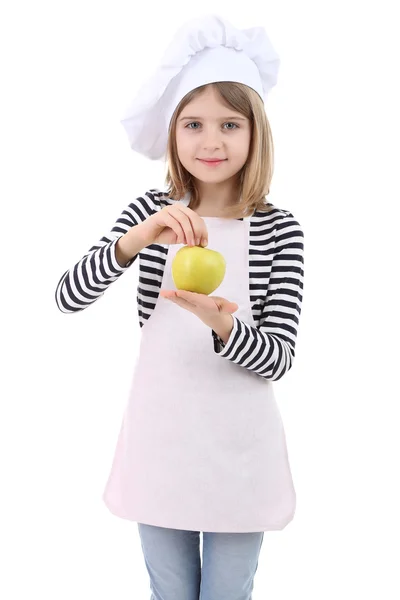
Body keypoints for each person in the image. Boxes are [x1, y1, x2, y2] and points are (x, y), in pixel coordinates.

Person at [55, 13, 305, 600]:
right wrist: (136, 240)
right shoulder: (149, 214)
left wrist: (223, 324)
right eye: (193, 124)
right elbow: (68, 296)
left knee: (227, 591)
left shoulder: (278, 230)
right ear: (172, 132)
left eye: (229, 124)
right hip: (160, 441)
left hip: (240, 451)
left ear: (256, 133)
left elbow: (278, 360)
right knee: (169, 591)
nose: (211, 141)